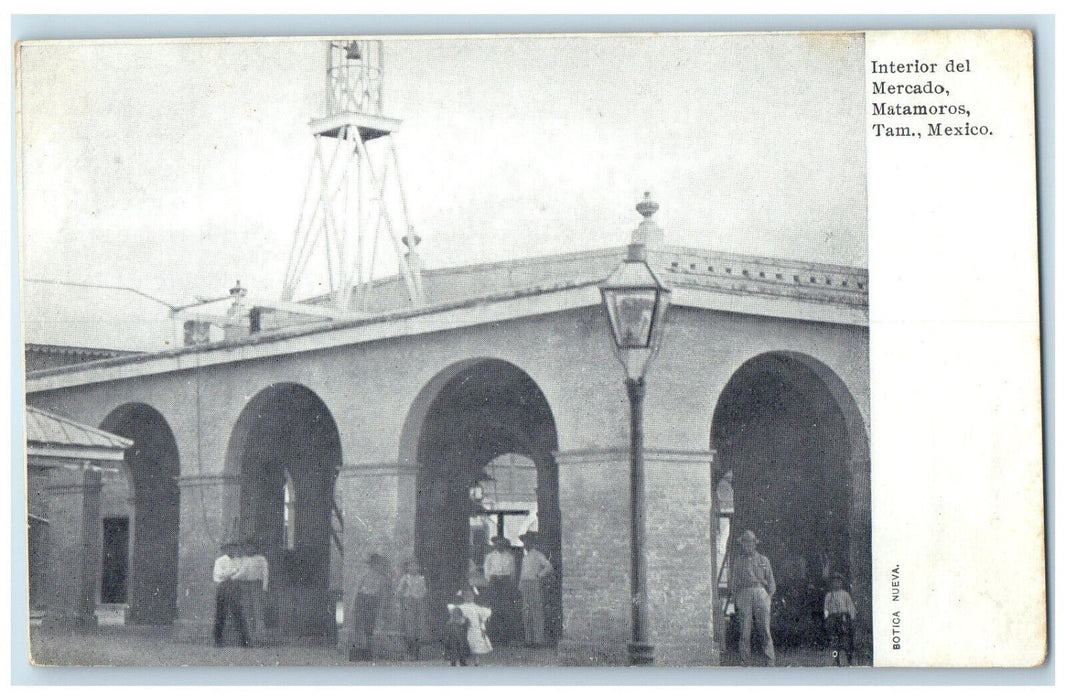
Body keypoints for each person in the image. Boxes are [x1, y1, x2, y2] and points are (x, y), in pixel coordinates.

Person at [731, 529, 776, 666]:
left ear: (754, 544)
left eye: (750, 543)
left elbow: (771, 581)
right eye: (745, 543)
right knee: (745, 630)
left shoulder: (763, 560)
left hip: (760, 592)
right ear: (742, 545)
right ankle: (744, 661)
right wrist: (737, 597)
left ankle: (770, 660)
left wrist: (768, 596)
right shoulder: (738, 561)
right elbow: (733, 581)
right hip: (744, 593)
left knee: (764, 629)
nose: (748, 546)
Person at [349, 553, 388, 661]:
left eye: (379, 565)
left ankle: (368, 650)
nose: (377, 567)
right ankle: (357, 650)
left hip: (372, 602)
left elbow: (382, 595)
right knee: (358, 625)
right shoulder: (364, 576)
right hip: (362, 600)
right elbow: (357, 590)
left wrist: (381, 608)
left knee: (369, 626)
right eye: (375, 564)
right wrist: (353, 604)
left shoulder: (381, 579)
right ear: (371, 565)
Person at [212, 541, 252, 647]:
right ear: (225, 550)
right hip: (223, 587)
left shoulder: (238, 561)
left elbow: (241, 573)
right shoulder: (220, 561)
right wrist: (232, 572)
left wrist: (232, 574)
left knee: (238, 613)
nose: (232, 551)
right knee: (221, 614)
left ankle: (244, 641)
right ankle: (218, 640)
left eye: (234, 548)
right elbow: (219, 574)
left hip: (234, 587)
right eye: (229, 549)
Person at [518, 532, 553, 647]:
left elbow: (548, 567)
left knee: (536, 611)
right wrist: (521, 584)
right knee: (526, 612)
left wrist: (539, 575)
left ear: (532, 543)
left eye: (528, 542)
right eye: (524, 542)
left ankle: (538, 640)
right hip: (525, 584)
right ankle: (529, 640)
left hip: (534, 583)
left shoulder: (538, 555)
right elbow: (523, 572)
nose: (525, 544)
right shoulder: (525, 557)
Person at [232, 540, 269, 646]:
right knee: (246, 611)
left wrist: (264, 588)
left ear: (255, 548)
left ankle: (260, 638)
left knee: (258, 611)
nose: (249, 549)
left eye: (251, 547)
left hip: (256, 585)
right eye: (247, 547)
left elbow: (265, 574)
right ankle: (249, 637)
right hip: (244, 585)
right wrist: (233, 578)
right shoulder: (243, 559)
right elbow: (240, 572)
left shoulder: (261, 559)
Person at [483, 535, 518, 644]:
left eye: (501, 544)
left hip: (505, 582)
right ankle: (494, 637)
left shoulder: (510, 557)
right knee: (494, 608)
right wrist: (492, 580)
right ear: (494, 545)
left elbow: (513, 571)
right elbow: (486, 570)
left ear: (504, 545)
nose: (499, 546)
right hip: (494, 582)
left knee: (506, 608)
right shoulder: (490, 557)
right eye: (497, 544)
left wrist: (507, 581)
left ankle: (505, 637)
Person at [449, 588, 492, 665]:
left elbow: (481, 619)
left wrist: (482, 628)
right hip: (465, 629)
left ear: (473, 597)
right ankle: (463, 661)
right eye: (467, 596)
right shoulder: (460, 607)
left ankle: (476, 662)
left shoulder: (477, 608)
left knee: (476, 645)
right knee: (463, 644)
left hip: (475, 628)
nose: (469, 597)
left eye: (471, 596)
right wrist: (461, 621)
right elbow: (456, 618)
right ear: (463, 597)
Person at [396, 559, 428, 660]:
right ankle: (409, 651)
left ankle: (417, 652)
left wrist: (420, 596)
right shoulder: (405, 578)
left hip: (419, 602)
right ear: (407, 568)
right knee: (409, 625)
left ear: (418, 567)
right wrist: (404, 594)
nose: (413, 568)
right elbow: (399, 591)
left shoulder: (422, 578)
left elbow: (424, 591)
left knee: (419, 625)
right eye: (411, 566)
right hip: (408, 602)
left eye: (415, 566)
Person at [823, 573, 857, 666]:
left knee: (845, 639)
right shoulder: (829, 595)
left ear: (841, 583)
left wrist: (852, 617)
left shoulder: (845, 594)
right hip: (833, 618)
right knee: (834, 642)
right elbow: (826, 608)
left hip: (843, 618)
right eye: (834, 582)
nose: (836, 583)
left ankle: (849, 659)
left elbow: (850, 607)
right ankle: (836, 660)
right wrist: (827, 618)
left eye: (839, 581)